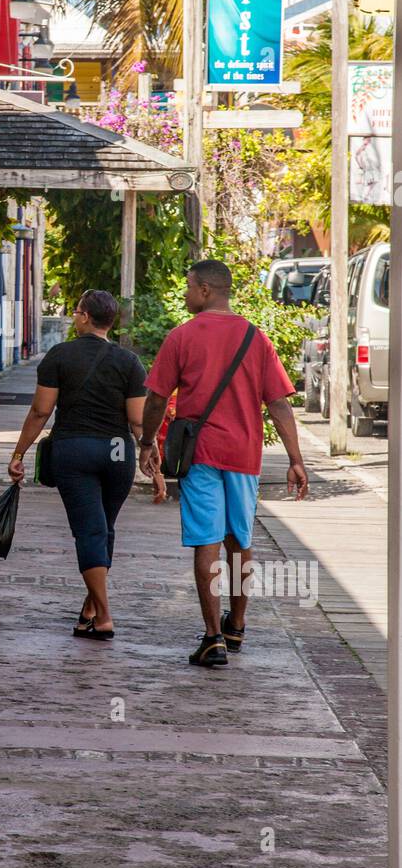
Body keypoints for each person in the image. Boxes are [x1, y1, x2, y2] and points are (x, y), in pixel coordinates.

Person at [138, 259, 309, 668]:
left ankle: (213, 637)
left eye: (188, 286)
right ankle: (238, 625)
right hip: (245, 456)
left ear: (205, 290)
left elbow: (157, 397)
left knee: (206, 542)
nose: (184, 294)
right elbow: (279, 404)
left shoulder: (182, 336)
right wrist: (295, 460)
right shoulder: (256, 338)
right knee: (241, 542)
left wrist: (147, 441)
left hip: (201, 455)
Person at [8, 289, 164, 641]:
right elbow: (138, 421)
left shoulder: (60, 356)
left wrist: (18, 454)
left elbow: (40, 411)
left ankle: (104, 616)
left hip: (73, 450)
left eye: (77, 311)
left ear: (83, 317)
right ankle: (89, 611)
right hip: (116, 452)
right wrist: (150, 454)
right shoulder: (129, 362)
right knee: (103, 528)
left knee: (91, 530)